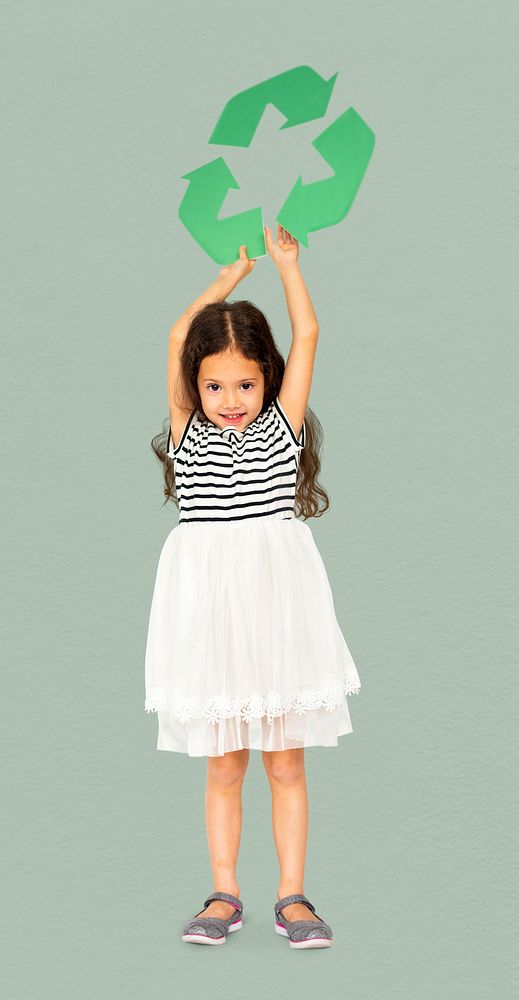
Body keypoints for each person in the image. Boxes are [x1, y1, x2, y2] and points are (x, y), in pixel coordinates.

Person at [145, 224, 362, 949]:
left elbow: (307, 331)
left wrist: (286, 266)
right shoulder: (187, 432)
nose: (229, 398)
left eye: (244, 383)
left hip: (278, 612)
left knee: (286, 759)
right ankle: (222, 895)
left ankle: (293, 898)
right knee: (224, 762)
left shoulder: (281, 427)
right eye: (213, 384)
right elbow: (180, 330)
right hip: (210, 618)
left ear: (266, 378)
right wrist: (228, 276)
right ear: (192, 384)